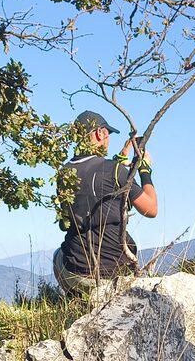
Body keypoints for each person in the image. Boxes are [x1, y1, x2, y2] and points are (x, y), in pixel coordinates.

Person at [53, 110, 158, 296]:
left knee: (57, 256)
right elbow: (151, 209)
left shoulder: (64, 173)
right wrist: (144, 171)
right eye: (108, 134)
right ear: (99, 133)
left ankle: (77, 299)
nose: (108, 140)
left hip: (75, 269)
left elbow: (93, 179)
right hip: (114, 272)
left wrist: (120, 159)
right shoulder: (115, 171)